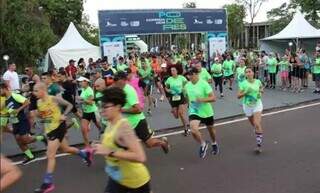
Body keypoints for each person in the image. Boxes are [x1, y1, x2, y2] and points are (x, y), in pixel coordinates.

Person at [33, 83, 93, 193]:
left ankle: (48, 183)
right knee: (66, 149)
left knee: (50, 155)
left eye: (36, 90)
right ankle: (85, 154)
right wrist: (39, 119)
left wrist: (64, 115)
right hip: (50, 129)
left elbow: (69, 105)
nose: (34, 93)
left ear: (43, 90)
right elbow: (46, 118)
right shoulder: (38, 102)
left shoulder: (53, 99)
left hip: (58, 128)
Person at [92, 87, 152, 193]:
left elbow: (140, 157)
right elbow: (115, 144)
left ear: (118, 106)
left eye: (105, 107)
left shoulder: (123, 127)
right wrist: (98, 146)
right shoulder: (110, 123)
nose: (101, 110)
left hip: (135, 183)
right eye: (101, 106)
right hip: (118, 179)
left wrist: (109, 151)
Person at [113, 72, 169, 153]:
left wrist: (121, 110)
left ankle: (163, 143)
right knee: (119, 142)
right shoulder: (119, 89)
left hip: (137, 122)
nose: (114, 82)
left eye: (116, 79)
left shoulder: (128, 91)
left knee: (149, 144)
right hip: (127, 124)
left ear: (123, 80)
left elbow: (138, 110)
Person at [1, 82, 47, 164]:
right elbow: (9, 111)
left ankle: (42, 137)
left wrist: (18, 110)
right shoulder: (6, 100)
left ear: (4, 89)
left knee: (25, 140)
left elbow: (27, 102)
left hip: (22, 120)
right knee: (18, 140)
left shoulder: (14, 95)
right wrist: (9, 115)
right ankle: (30, 156)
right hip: (15, 122)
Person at [184, 67, 219, 158]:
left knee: (211, 130)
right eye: (188, 75)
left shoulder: (204, 84)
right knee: (193, 130)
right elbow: (187, 96)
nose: (189, 76)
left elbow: (213, 98)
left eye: (191, 74)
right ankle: (203, 144)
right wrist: (188, 103)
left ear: (196, 74)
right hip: (194, 111)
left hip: (206, 112)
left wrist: (202, 100)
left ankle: (214, 143)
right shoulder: (187, 85)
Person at [237, 67, 264, 153]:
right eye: (246, 72)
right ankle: (257, 130)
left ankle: (259, 146)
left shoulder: (258, 81)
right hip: (247, 106)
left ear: (253, 73)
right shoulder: (243, 83)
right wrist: (245, 92)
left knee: (257, 124)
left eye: (249, 71)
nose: (248, 73)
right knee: (253, 124)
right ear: (245, 74)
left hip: (257, 105)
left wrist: (260, 92)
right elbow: (238, 96)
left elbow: (261, 89)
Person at [77, 75, 102, 147]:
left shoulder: (90, 90)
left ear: (86, 82)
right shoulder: (83, 89)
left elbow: (91, 102)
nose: (79, 83)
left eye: (81, 82)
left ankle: (107, 140)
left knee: (101, 128)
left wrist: (82, 100)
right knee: (83, 130)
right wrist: (81, 104)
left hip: (93, 111)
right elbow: (83, 102)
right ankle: (87, 148)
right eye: (79, 82)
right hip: (86, 112)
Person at [165, 66, 189, 136]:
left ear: (177, 71)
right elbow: (166, 88)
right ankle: (174, 111)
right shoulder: (169, 79)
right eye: (171, 70)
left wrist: (184, 89)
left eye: (173, 70)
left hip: (181, 96)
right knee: (176, 116)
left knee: (181, 114)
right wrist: (169, 90)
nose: (172, 72)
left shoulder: (181, 78)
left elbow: (187, 84)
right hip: (173, 97)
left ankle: (186, 129)